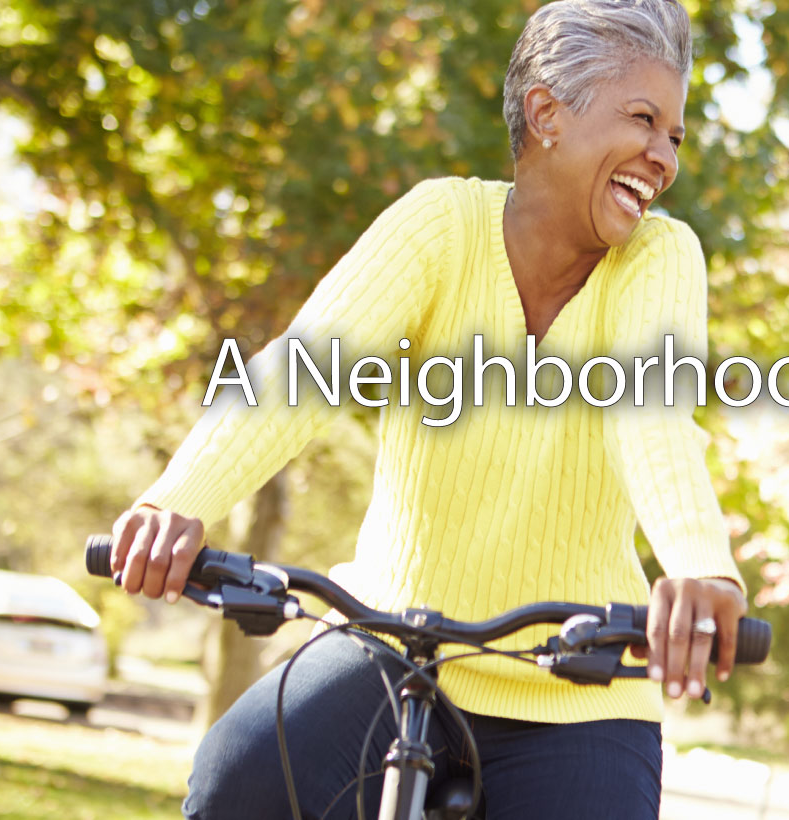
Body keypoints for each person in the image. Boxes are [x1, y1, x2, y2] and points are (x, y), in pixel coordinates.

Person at [106, 2, 745, 817]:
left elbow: (654, 423)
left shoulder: (661, 258)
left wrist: (698, 566)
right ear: (548, 113)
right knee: (235, 781)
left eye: (675, 136)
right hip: (389, 641)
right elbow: (303, 371)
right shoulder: (440, 226)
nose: (663, 157)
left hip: (578, 687)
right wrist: (177, 500)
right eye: (644, 120)